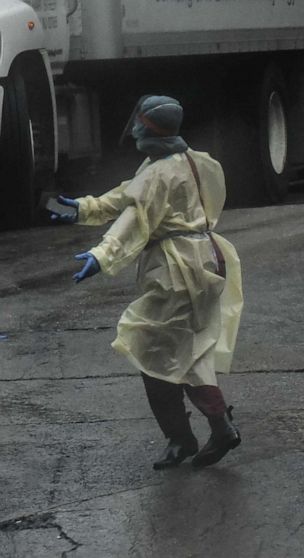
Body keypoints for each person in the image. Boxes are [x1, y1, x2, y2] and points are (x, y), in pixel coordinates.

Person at [50, 95, 245, 470]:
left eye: (139, 122)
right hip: (207, 260)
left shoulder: (159, 173)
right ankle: (217, 428)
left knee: (152, 352)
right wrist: (84, 208)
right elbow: (130, 193)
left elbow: (136, 217)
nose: (135, 129)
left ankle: (183, 437)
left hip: (177, 271)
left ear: (147, 127)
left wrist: (101, 255)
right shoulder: (191, 160)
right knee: (191, 351)